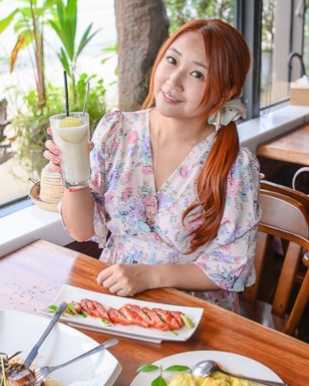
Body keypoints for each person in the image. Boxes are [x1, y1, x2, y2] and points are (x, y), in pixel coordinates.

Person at [44, 18, 261, 310]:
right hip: (115, 298)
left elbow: (230, 266)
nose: (174, 81)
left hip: (195, 313)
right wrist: (73, 175)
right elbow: (83, 231)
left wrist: (150, 275)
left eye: (197, 74)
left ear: (225, 92)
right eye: (172, 60)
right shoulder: (116, 131)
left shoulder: (234, 166)